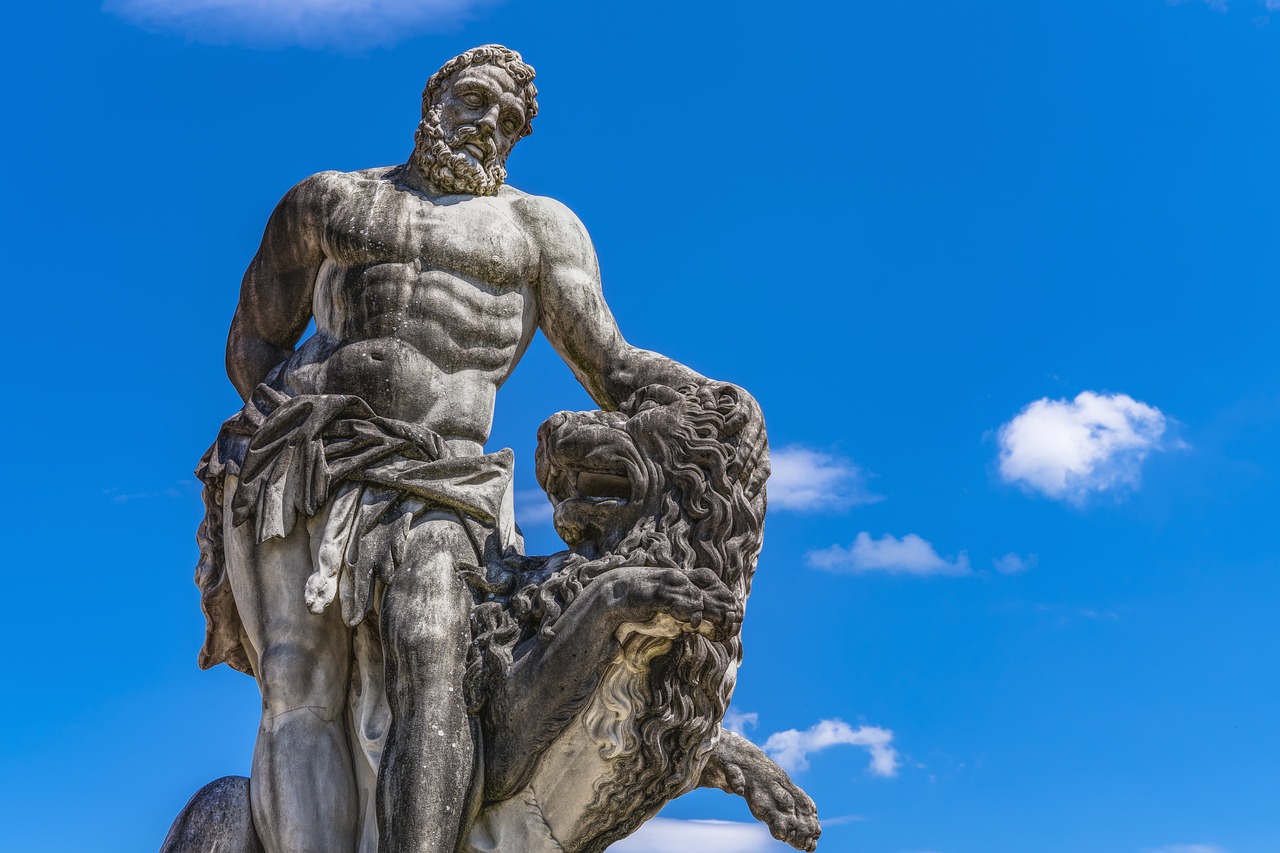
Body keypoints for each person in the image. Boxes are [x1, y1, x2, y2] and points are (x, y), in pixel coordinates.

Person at [193, 44, 703, 853]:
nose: (488, 125)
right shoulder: (329, 201)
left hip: (445, 480)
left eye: (508, 121)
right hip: (306, 462)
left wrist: (717, 407)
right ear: (434, 97)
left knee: (435, 652)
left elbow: (611, 365)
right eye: (475, 100)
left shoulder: (540, 230)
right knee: (297, 682)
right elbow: (253, 337)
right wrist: (277, 426)